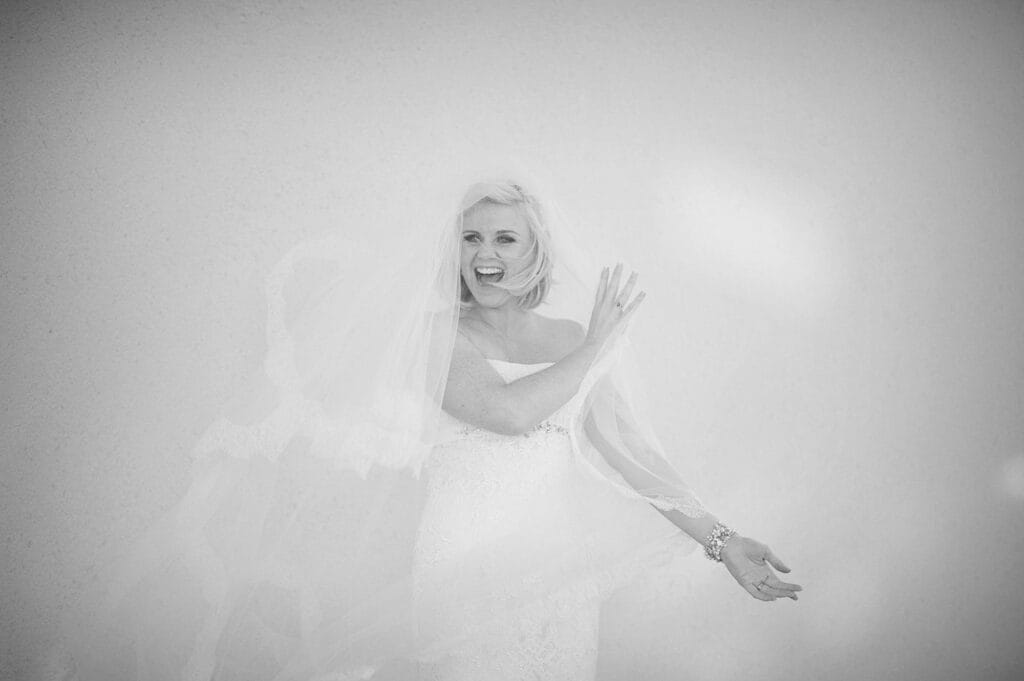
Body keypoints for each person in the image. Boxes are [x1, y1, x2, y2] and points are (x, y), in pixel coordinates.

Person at [60, 179, 800, 681]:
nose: (485, 255)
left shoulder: (571, 337)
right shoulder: (441, 334)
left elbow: (635, 459)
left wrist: (722, 541)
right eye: (472, 237)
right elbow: (509, 414)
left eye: (505, 238)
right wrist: (594, 349)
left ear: (536, 250)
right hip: (461, 564)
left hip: (556, 573)